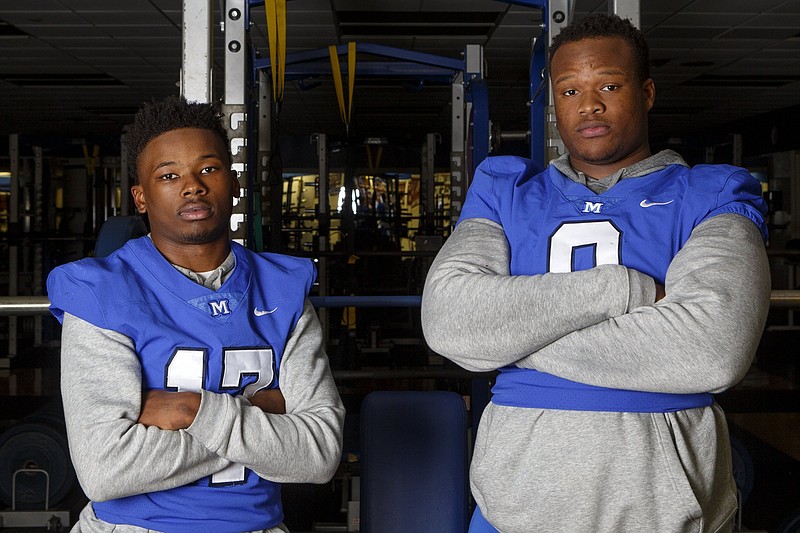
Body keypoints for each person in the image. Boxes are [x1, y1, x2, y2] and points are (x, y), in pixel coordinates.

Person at [421, 13, 770, 533]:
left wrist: (506, 336)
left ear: (647, 91)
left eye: (609, 84)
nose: (589, 104)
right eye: (569, 90)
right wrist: (626, 289)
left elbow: (712, 349)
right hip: (516, 507)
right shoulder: (503, 192)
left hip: (661, 510)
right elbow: (449, 322)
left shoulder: (712, 197)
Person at [47, 95, 345, 533]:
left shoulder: (283, 291)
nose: (192, 186)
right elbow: (106, 469)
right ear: (141, 198)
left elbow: (319, 455)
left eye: (208, 168)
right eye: (168, 175)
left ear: (234, 182)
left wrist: (191, 409)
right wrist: (258, 414)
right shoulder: (101, 293)